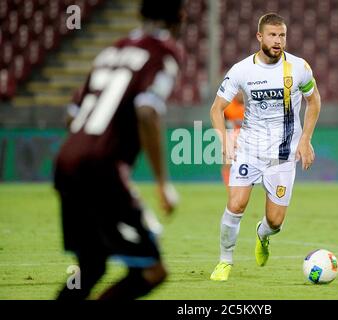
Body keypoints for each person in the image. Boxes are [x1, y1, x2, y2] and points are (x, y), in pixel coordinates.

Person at [53, 1, 185, 299]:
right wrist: (163, 183)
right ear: (181, 17)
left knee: (92, 265)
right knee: (152, 271)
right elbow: (148, 111)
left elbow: (72, 115)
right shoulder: (163, 53)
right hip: (101, 170)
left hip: (66, 161)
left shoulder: (111, 51)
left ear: (140, 13)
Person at [209, 13, 321, 281]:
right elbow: (216, 109)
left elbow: (314, 101)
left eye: (282, 35)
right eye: (272, 35)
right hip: (249, 149)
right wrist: (224, 138)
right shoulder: (241, 70)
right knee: (236, 204)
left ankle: (262, 234)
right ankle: (225, 261)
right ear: (260, 37)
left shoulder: (299, 68)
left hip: (283, 156)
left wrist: (305, 139)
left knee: (275, 222)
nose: (278, 40)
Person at [221, 91, 245, 187]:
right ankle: (229, 185)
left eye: (241, 92)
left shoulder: (251, 105)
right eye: (238, 92)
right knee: (228, 162)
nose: (239, 95)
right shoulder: (228, 106)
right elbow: (221, 121)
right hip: (232, 136)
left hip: (249, 137)